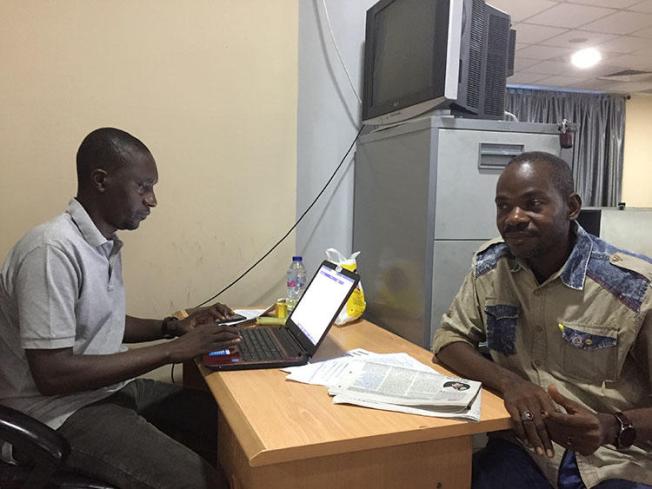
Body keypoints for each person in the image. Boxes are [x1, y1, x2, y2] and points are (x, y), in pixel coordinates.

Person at [0, 128, 242, 489]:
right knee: (205, 484)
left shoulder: (101, 244)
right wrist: (172, 351)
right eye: (143, 187)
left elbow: (100, 323)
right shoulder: (51, 250)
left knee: (229, 433)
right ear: (101, 180)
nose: (152, 200)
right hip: (57, 414)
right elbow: (52, 373)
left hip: (104, 392)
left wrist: (173, 327)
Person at [432, 151, 652, 488]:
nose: (514, 217)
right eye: (503, 206)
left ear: (572, 207)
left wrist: (612, 426)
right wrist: (511, 383)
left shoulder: (632, 289)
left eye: (533, 204)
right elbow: (449, 340)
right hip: (525, 449)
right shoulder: (491, 267)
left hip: (612, 461)